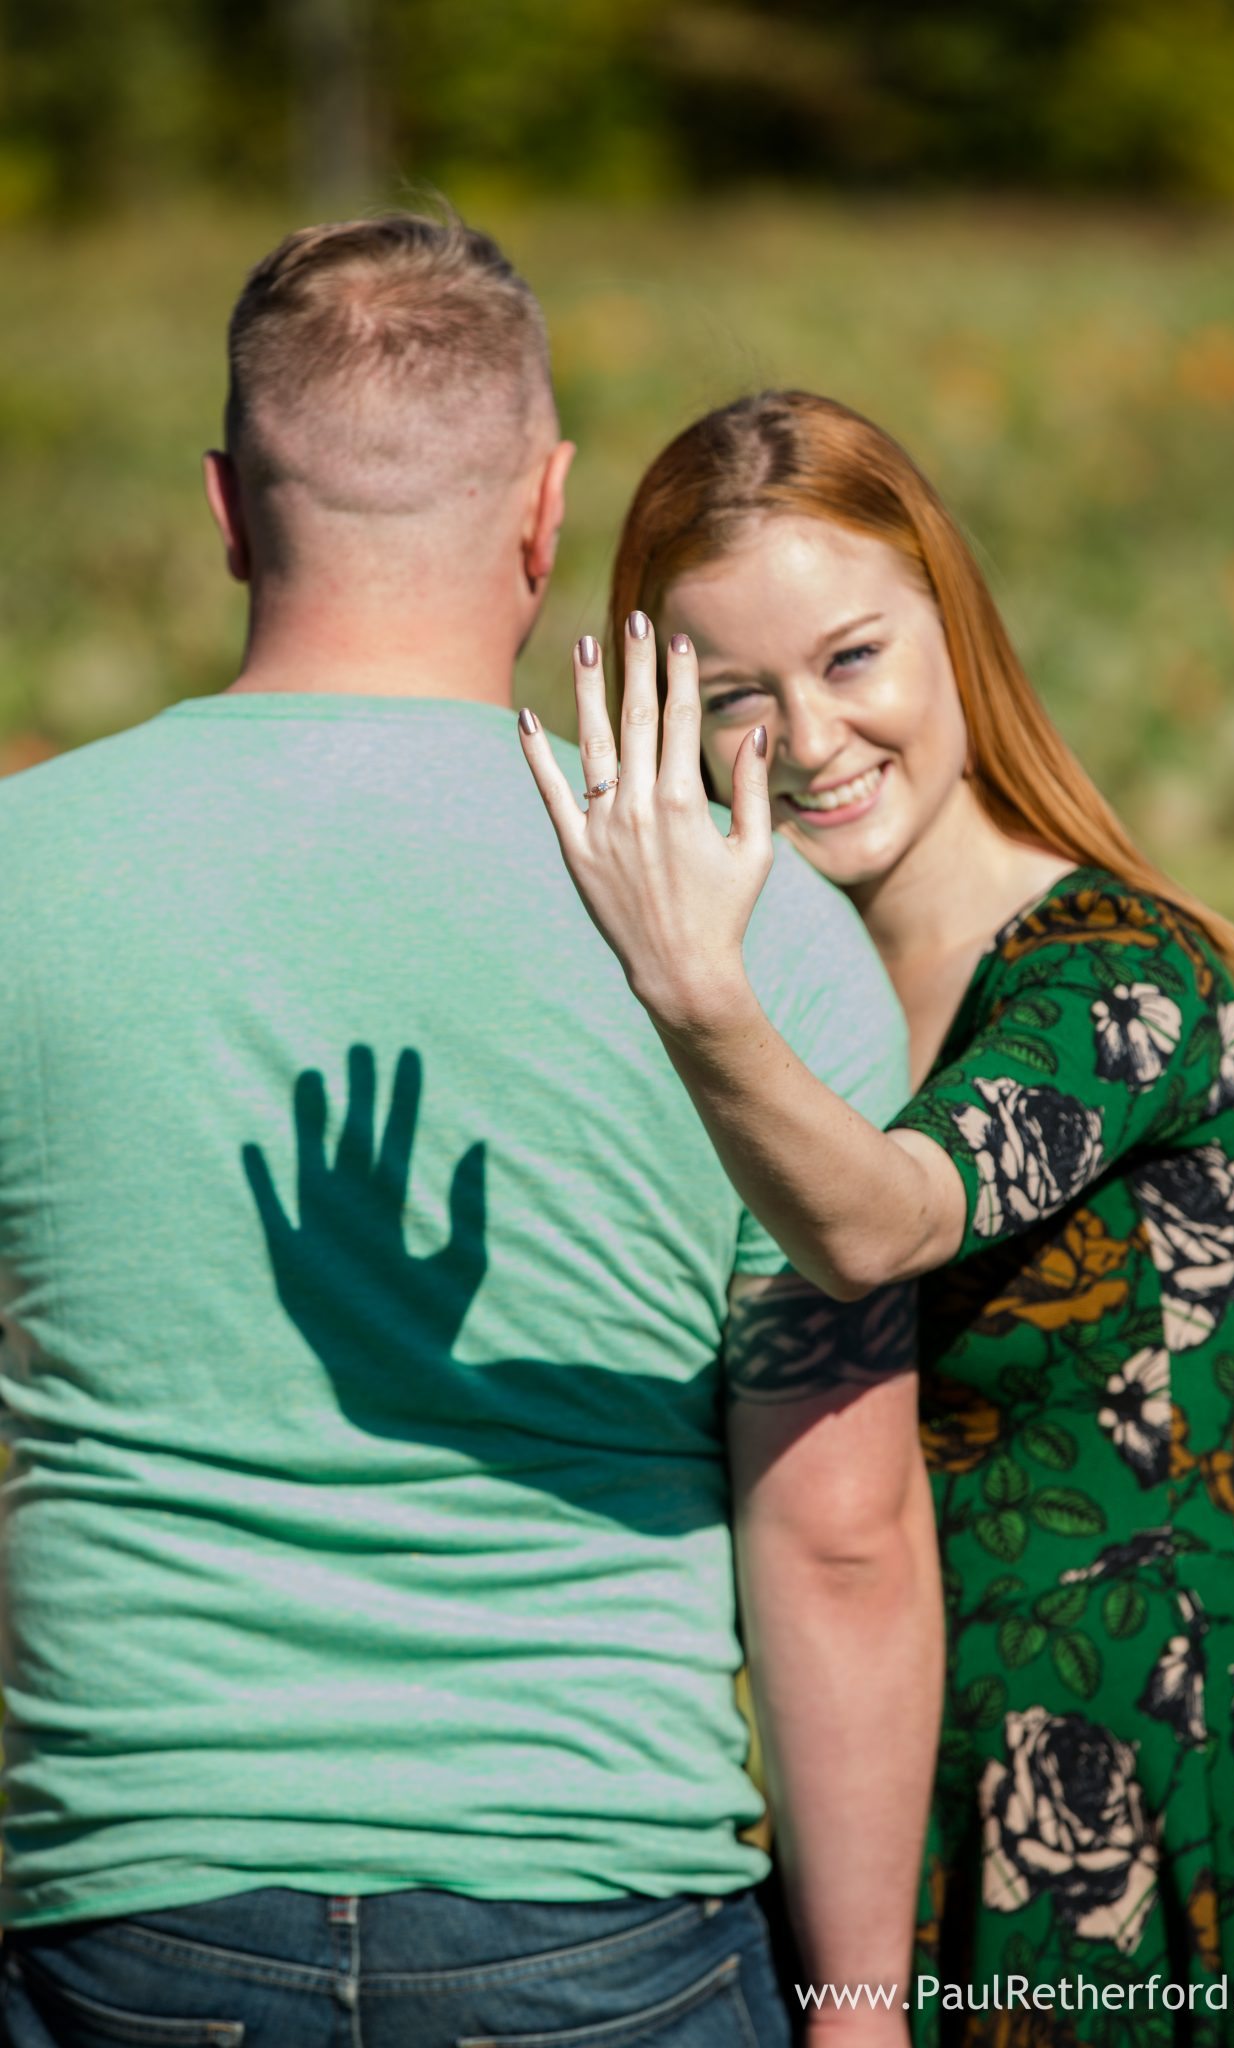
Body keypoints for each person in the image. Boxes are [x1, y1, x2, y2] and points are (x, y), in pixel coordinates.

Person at [0, 241, 941, 2045]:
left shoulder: (24, 873)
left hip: (124, 1906)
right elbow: (835, 1536)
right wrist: (858, 2010)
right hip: (602, 1911)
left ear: (223, 509)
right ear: (547, 506)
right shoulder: (751, 928)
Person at [520, 390, 1234, 2048]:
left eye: (850, 660)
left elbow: (889, 1219)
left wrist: (692, 997)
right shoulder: (791, 1006)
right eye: (736, 698)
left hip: (1135, 1761)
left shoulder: (1116, 972)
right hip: (865, 1787)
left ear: (952, 626)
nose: (811, 742)